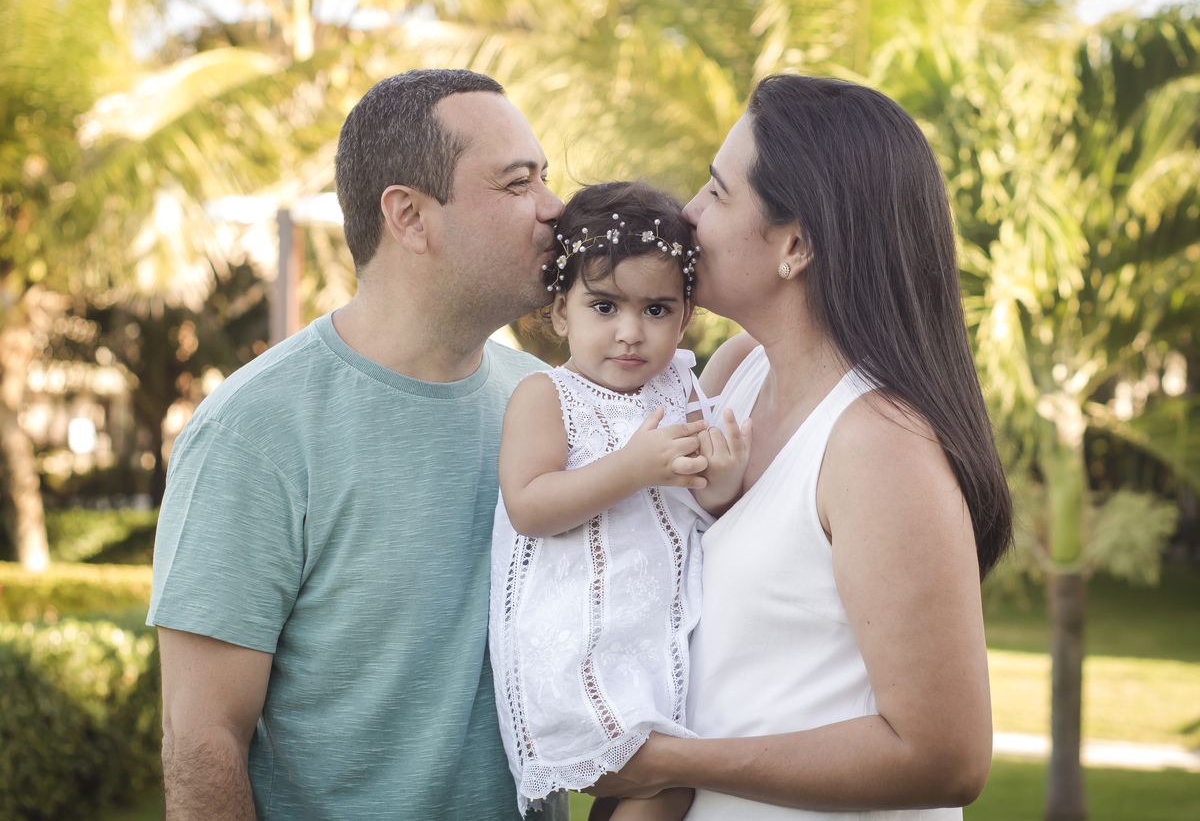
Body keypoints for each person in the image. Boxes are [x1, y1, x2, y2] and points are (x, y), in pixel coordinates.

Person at [585, 74, 1013, 819]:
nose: (688, 214)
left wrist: (668, 761)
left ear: (795, 245)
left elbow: (944, 758)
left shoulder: (878, 446)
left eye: (718, 192)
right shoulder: (735, 375)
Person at [147, 69, 569, 820]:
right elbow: (202, 739)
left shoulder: (550, 403)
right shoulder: (253, 431)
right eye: (517, 183)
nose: (553, 207)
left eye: (544, 176)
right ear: (409, 216)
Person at [489, 181, 753, 821]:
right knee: (666, 784)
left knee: (658, 784)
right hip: (577, 647)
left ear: (685, 317)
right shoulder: (547, 396)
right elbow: (529, 505)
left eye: (656, 310)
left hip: (650, 644)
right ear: (561, 312)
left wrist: (720, 481)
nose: (630, 333)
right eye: (604, 307)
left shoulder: (679, 388)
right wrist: (631, 467)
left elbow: (697, 502)